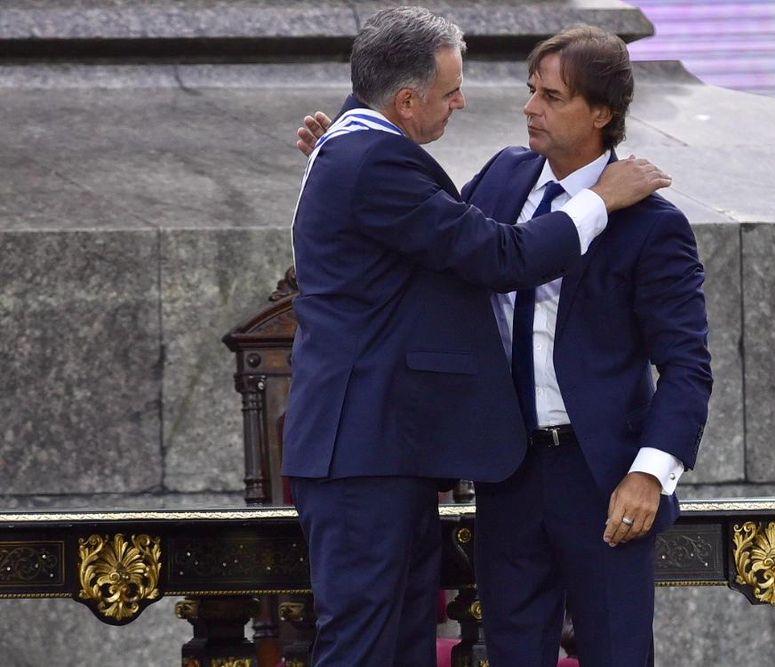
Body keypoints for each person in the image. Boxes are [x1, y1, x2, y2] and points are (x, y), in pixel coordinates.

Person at [297, 23, 712, 666]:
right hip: (507, 469)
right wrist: (349, 168)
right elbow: (471, 248)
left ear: (601, 113)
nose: (529, 107)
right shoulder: (500, 178)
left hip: (601, 478)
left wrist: (650, 473)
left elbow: (687, 366)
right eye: (531, 89)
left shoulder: (653, 224)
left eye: (551, 96)